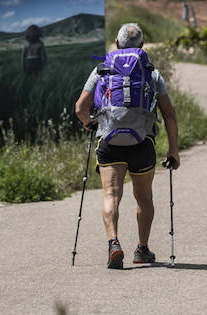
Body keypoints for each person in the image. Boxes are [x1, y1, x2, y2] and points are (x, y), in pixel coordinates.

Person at [73, 22, 180, 269]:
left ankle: (113, 243)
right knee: (143, 197)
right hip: (142, 144)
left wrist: (89, 123)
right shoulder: (151, 72)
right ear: (142, 46)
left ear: (117, 44)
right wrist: (173, 149)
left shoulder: (101, 70)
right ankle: (142, 250)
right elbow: (169, 114)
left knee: (111, 194)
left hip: (109, 142)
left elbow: (80, 108)